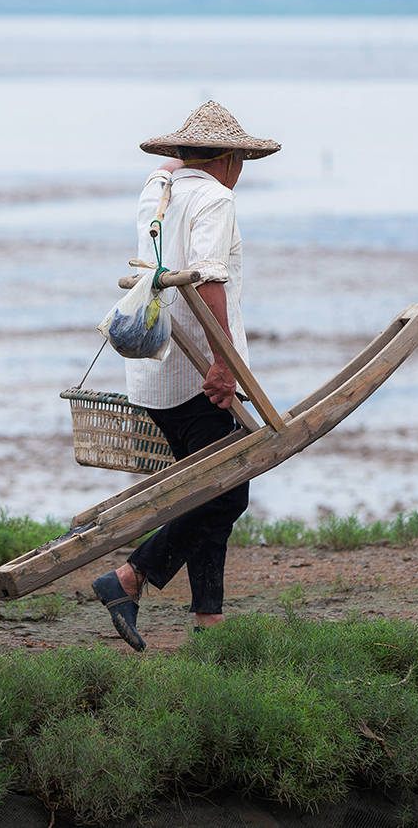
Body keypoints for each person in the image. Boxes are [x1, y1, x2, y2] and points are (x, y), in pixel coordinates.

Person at [92, 100, 280, 651]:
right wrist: (224, 364)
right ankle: (128, 578)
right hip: (200, 374)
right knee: (225, 495)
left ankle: (208, 621)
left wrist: (177, 165)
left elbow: (164, 169)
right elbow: (206, 280)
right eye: (239, 161)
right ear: (230, 160)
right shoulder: (217, 198)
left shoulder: (159, 190)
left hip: (155, 377)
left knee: (210, 492)